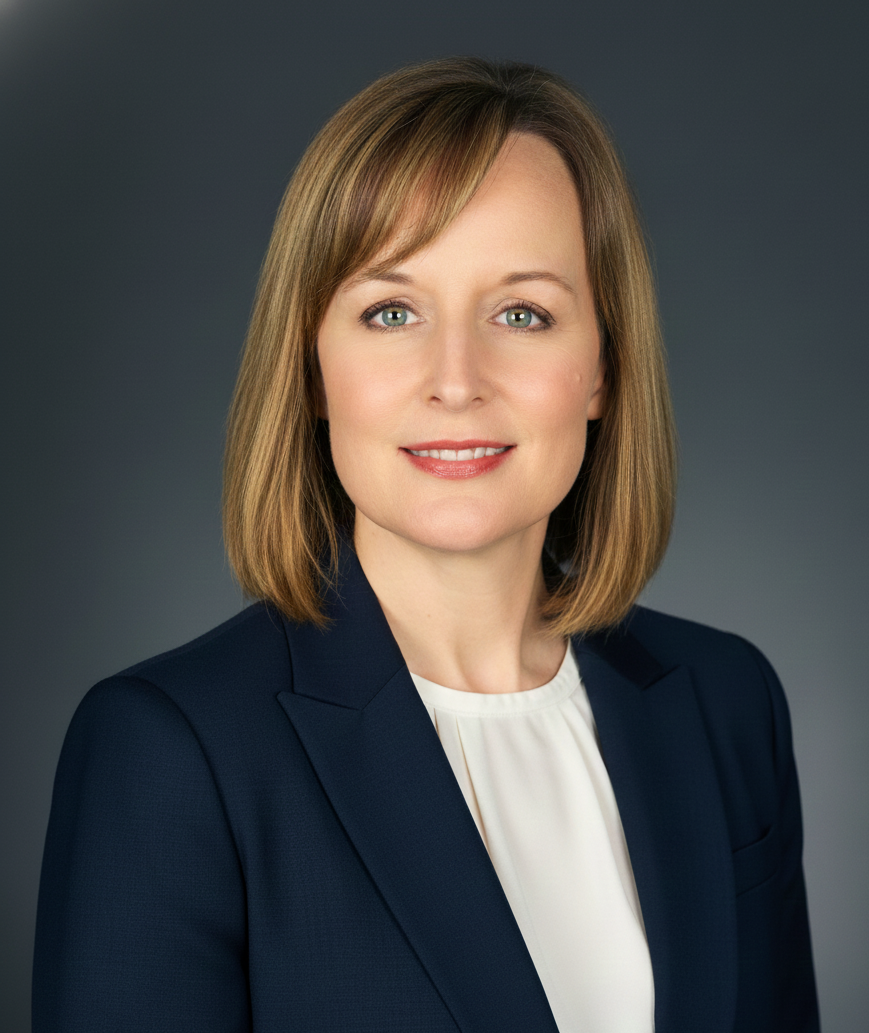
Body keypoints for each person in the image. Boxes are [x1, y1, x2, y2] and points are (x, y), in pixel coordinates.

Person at [32, 57, 819, 1032]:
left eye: (521, 313)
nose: (456, 378)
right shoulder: (167, 749)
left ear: (603, 370)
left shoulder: (725, 701)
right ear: (313, 367)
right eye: (390, 311)